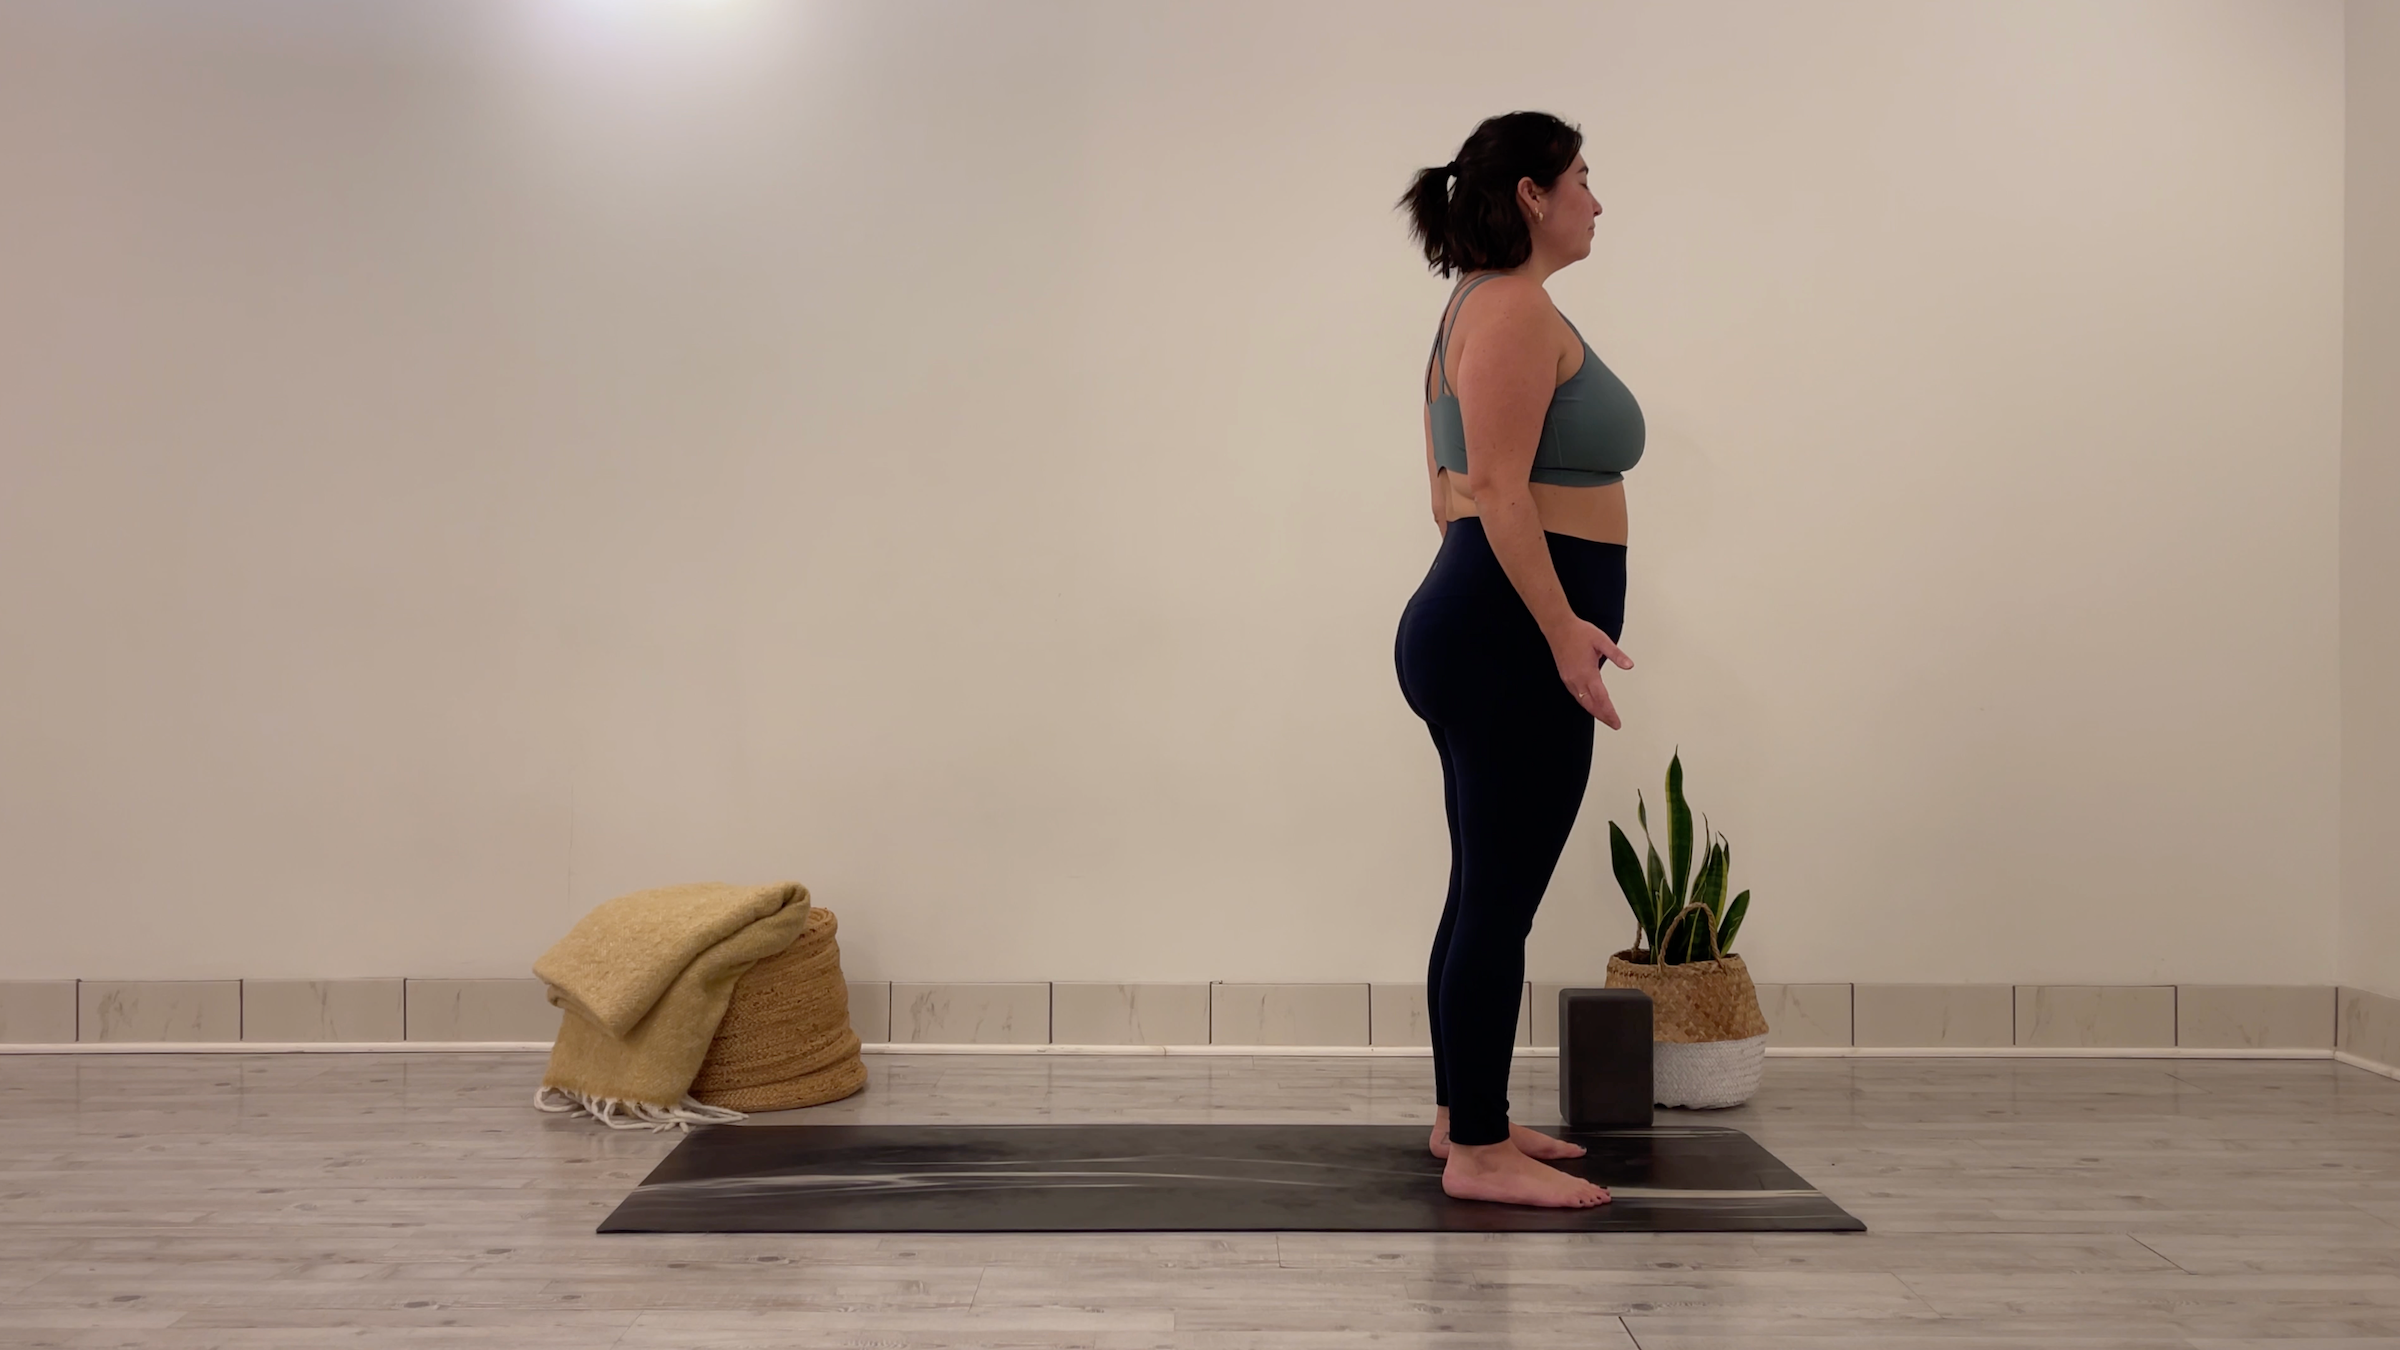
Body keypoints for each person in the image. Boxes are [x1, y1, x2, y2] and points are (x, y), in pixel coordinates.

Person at [1393, 111, 1644, 1208]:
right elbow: (1492, 491)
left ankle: (1466, 1117)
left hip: (1480, 625)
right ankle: (1481, 1155)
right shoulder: (1510, 310)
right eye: (1585, 178)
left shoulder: (1478, 307)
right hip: (1503, 637)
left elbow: (1444, 486)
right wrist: (1557, 633)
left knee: (1482, 887)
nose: (1600, 199)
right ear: (1536, 195)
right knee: (1499, 896)